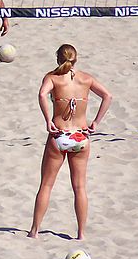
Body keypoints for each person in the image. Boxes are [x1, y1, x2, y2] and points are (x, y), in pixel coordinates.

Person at [28, 44, 112, 240]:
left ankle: (35, 230)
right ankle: (81, 233)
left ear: (58, 59)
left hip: (59, 135)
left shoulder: (52, 78)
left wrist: (48, 120)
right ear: (76, 59)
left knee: (46, 185)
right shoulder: (86, 79)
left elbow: (42, 94)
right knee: (80, 187)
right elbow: (108, 96)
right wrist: (96, 122)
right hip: (80, 136)